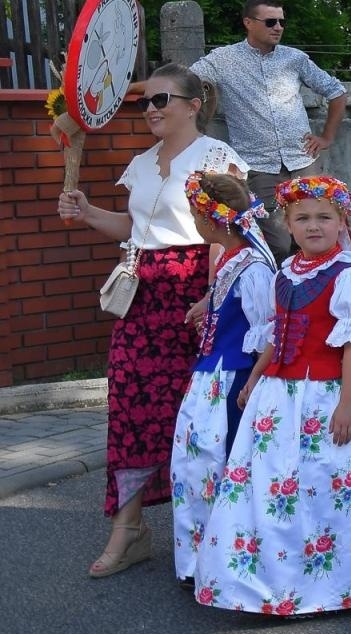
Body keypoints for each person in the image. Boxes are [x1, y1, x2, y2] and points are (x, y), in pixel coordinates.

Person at [196, 176, 351, 613]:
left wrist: (349, 403)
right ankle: (272, 577)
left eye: (324, 217)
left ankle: (346, 577)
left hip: (328, 395)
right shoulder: (285, 273)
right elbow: (277, 333)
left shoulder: (347, 278)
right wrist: (256, 375)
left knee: (332, 480)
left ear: (342, 221)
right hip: (279, 395)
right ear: (288, 226)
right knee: (275, 484)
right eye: (303, 218)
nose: (314, 226)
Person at [58, 64, 249, 578]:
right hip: (142, 292)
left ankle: (225, 526)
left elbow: (228, 229)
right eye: (146, 102)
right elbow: (135, 227)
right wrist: (89, 211)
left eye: (163, 99)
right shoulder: (141, 164)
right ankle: (129, 530)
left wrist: (216, 292)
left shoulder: (217, 158)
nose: (152, 109)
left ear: (194, 104)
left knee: (204, 415)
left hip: (196, 291)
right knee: (129, 406)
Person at [170, 172, 275, 585]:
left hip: (233, 378)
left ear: (212, 221)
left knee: (222, 464)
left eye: (196, 214)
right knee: (195, 466)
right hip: (212, 375)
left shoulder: (253, 267)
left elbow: (268, 330)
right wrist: (207, 303)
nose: (194, 222)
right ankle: (204, 557)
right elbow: (227, 296)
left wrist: (252, 384)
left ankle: (230, 559)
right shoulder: (233, 256)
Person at [190, 0, 347, 261]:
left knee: (315, 232)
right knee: (276, 241)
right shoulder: (224, 59)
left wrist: (327, 137)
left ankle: (314, 290)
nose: (278, 27)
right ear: (248, 23)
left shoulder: (294, 59)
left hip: (303, 161)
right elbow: (184, 80)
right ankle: (275, 294)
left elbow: (336, 91)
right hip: (257, 166)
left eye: (282, 22)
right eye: (271, 21)